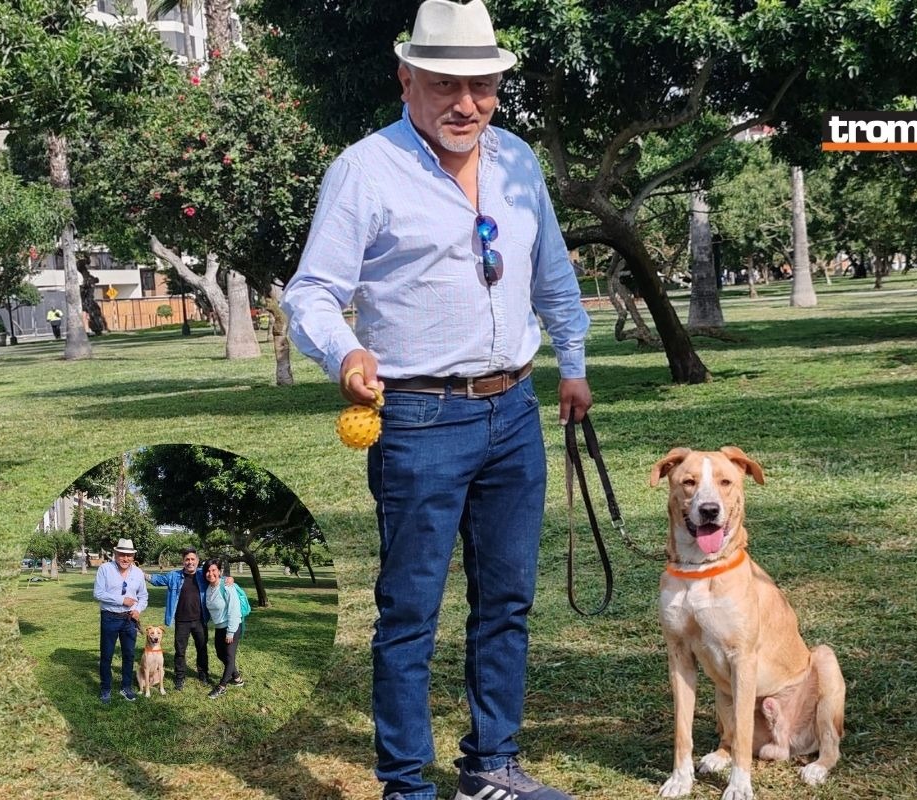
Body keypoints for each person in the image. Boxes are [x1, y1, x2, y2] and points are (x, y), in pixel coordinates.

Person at [281, 2, 591, 797]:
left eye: (482, 86)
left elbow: (552, 272)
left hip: (515, 411)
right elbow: (312, 292)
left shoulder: (518, 159)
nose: (466, 104)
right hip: (419, 419)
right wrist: (344, 349)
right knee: (410, 613)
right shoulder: (364, 170)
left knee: (507, 603)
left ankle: (491, 767)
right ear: (406, 78)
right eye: (447, 84)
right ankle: (406, 786)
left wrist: (574, 363)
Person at [92, 537, 148, 704]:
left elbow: (143, 596)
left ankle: (126, 687)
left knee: (129, 655)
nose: (125, 558)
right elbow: (98, 593)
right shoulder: (105, 569)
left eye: (129, 555)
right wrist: (121, 600)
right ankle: (106, 689)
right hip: (110, 617)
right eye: (122, 554)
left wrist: (138, 609)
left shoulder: (138, 573)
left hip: (129, 620)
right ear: (115, 554)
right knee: (107, 655)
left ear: (133, 556)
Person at [147, 547, 210, 690]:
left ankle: (203, 673)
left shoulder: (203, 575)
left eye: (193, 559)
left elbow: (217, 577)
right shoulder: (174, 576)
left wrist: (229, 579)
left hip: (200, 620)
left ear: (197, 561)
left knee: (202, 648)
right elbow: (157, 580)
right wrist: (141, 573)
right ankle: (180, 677)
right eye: (187, 559)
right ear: (183, 561)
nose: (190, 562)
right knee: (180, 651)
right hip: (182, 621)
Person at [202, 558, 244, 699]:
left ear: (219, 571)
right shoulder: (208, 588)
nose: (210, 573)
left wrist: (231, 631)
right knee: (221, 654)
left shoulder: (227, 586)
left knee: (229, 656)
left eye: (213, 570)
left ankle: (222, 686)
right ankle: (237, 678)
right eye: (207, 571)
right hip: (219, 627)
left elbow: (234, 610)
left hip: (232, 626)